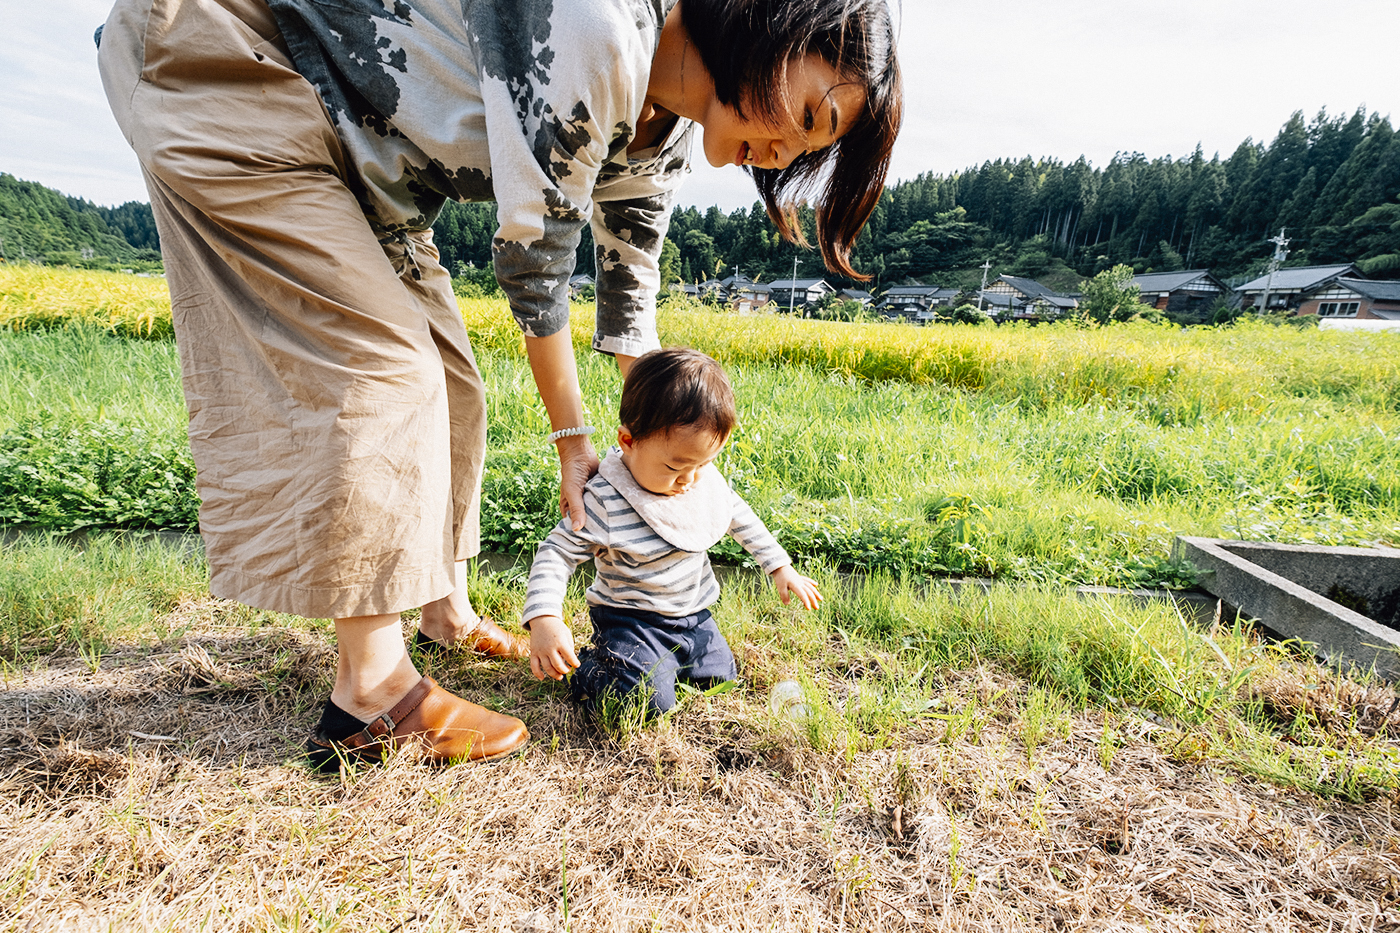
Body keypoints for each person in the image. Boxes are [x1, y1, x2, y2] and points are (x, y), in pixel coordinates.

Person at [94, 0, 900, 768]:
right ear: (769, 24)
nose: (793, 152)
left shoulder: (669, 136)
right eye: (813, 118)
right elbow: (537, 262)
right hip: (236, 58)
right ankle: (370, 695)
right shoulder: (603, 25)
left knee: (453, 383)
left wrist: (664, 439)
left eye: (815, 149)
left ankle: (442, 608)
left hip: (356, 157)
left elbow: (629, 295)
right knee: (384, 369)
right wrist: (576, 445)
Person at [524, 348, 822, 717]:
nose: (690, 480)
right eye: (675, 467)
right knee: (644, 703)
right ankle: (591, 669)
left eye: (704, 464)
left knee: (720, 678)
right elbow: (556, 552)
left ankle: (665, 664)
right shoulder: (605, 499)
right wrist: (545, 618)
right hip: (631, 622)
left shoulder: (697, 478)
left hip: (694, 615)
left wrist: (780, 567)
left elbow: (735, 514)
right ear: (628, 441)